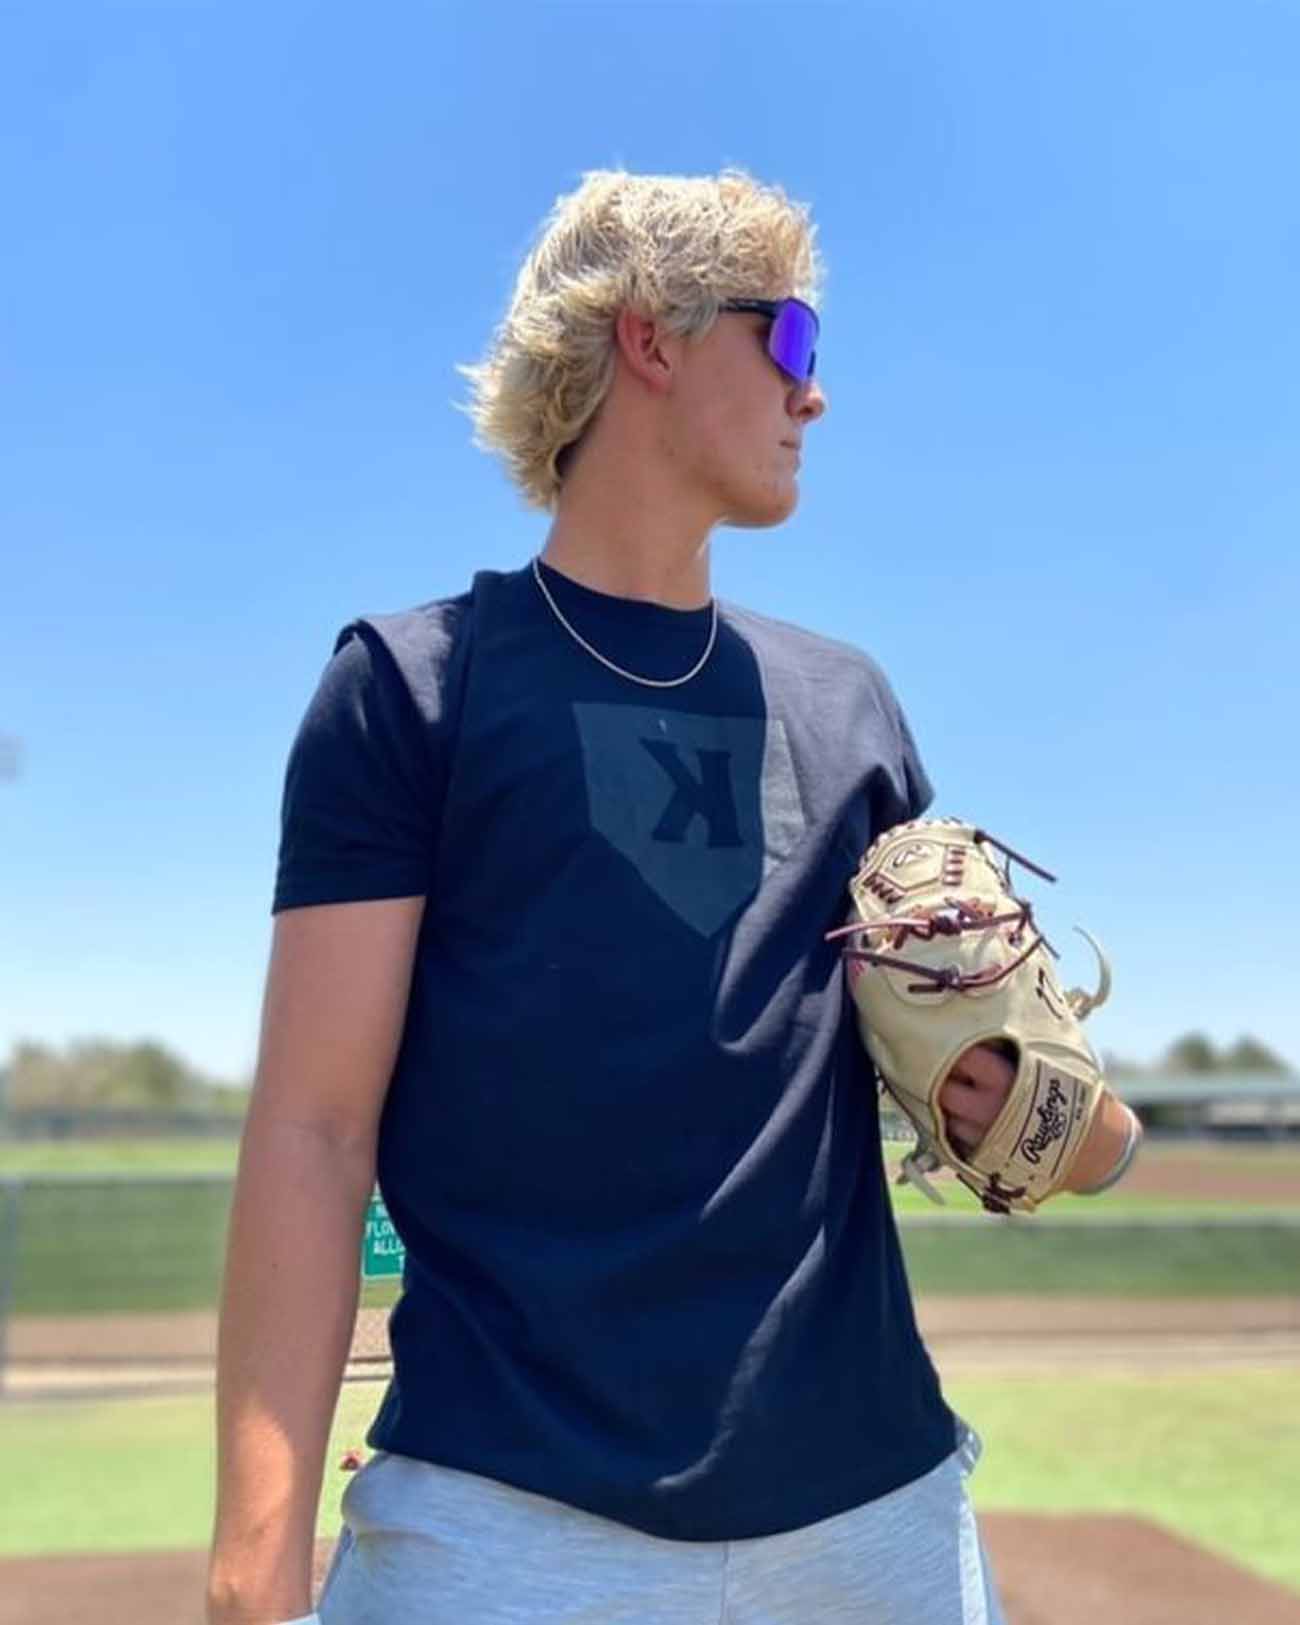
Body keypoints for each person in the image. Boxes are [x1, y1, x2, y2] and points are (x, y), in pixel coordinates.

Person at [208, 168, 1138, 1625]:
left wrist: (1037, 1108)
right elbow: (314, 1131)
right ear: (650, 335)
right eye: (792, 338)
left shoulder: (850, 704)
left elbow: (1051, 1123)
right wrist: (254, 1568)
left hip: (873, 1524)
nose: (814, 392)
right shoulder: (412, 688)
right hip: (504, 1528)